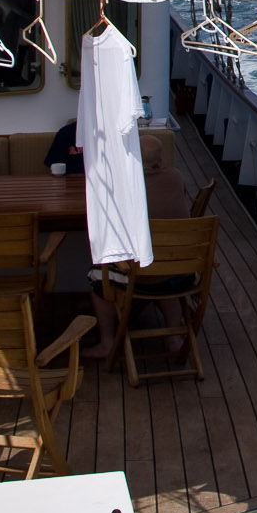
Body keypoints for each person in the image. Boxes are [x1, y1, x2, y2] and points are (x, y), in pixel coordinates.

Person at [81, 135, 188, 361]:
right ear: (160, 162)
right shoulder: (176, 178)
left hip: (139, 276)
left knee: (99, 273)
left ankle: (108, 342)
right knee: (163, 269)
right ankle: (174, 338)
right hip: (180, 271)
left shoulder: (120, 187)